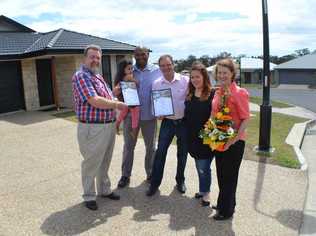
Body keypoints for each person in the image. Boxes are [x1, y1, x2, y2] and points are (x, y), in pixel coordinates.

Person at [72, 44, 127, 211]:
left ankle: (104, 189)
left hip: (107, 126)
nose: (95, 60)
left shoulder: (98, 77)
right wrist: (118, 104)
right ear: (85, 58)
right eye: (92, 57)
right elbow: (94, 100)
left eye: (98, 57)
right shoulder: (81, 76)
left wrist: (118, 93)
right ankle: (89, 195)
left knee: (105, 161)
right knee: (91, 163)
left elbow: (108, 97)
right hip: (93, 128)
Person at [115, 47, 162, 188]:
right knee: (129, 146)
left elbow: (162, 90)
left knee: (151, 148)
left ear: (148, 54)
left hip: (149, 116)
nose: (140, 56)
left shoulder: (156, 71)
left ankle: (150, 174)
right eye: (137, 54)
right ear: (134, 56)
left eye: (143, 54)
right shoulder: (128, 69)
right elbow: (118, 89)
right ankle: (125, 175)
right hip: (130, 116)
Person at [211, 58, 250, 220]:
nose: (222, 75)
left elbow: (245, 119)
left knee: (229, 176)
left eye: (225, 73)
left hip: (234, 142)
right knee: (221, 173)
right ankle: (224, 203)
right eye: (219, 73)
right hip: (218, 138)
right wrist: (211, 133)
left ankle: (227, 211)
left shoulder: (240, 93)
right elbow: (214, 114)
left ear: (232, 73)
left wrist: (232, 140)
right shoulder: (218, 91)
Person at [146, 54, 189, 196]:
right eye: (162, 66)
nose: (166, 68)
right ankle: (155, 184)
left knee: (182, 154)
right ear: (160, 67)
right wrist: (157, 113)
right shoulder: (157, 83)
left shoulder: (185, 81)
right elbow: (154, 104)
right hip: (167, 123)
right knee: (160, 153)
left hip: (183, 123)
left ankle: (180, 180)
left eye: (168, 64)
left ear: (173, 64)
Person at [184, 62, 215, 206]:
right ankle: (203, 190)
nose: (195, 80)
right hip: (192, 138)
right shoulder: (190, 94)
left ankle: (206, 193)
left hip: (206, 138)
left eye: (198, 77)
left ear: (204, 77)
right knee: (199, 166)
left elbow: (216, 116)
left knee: (204, 167)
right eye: (192, 77)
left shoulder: (212, 94)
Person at [114, 59, 140, 139]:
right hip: (131, 99)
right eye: (129, 69)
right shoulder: (128, 77)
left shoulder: (122, 78)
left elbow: (117, 88)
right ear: (123, 70)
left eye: (132, 68)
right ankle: (134, 130)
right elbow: (136, 83)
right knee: (135, 112)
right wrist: (134, 81)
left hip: (128, 99)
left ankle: (117, 124)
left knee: (124, 112)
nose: (131, 70)